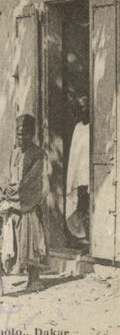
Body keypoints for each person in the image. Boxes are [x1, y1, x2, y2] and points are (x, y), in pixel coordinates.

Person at [0, 114, 47, 292]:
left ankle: (34, 280)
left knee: (31, 244)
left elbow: (37, 181)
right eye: (18, 134)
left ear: (33, 134)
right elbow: (6, 174)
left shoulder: (38, 154)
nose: (21, 138)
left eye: (25, 134)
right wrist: (6, 187)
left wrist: (18, 191)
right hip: (14, 205)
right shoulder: (15, 153)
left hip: (27, 207)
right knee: (16, 242)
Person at [66, 94, 90, 244]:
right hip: (81, 177)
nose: (82, 112)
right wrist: (73, 178)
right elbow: (74, 155)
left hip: (93, 175)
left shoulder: (94, 126)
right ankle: (85, 239)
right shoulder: (78, 128)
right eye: (79, 109)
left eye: (84, 108)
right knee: (82, 208)